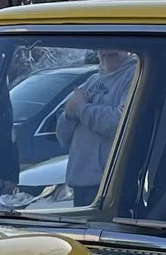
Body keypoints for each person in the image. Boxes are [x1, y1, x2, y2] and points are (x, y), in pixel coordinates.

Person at [57, 49, 138, 204]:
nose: (106, 50)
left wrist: (81, 109)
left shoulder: (134, 75)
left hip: (109, 186)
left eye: (113, 44)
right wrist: (69, 115)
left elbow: (122, 124)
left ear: (126, 47)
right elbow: (62, 137)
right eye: (102, 46)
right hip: (79, 185)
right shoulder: (91, 80)